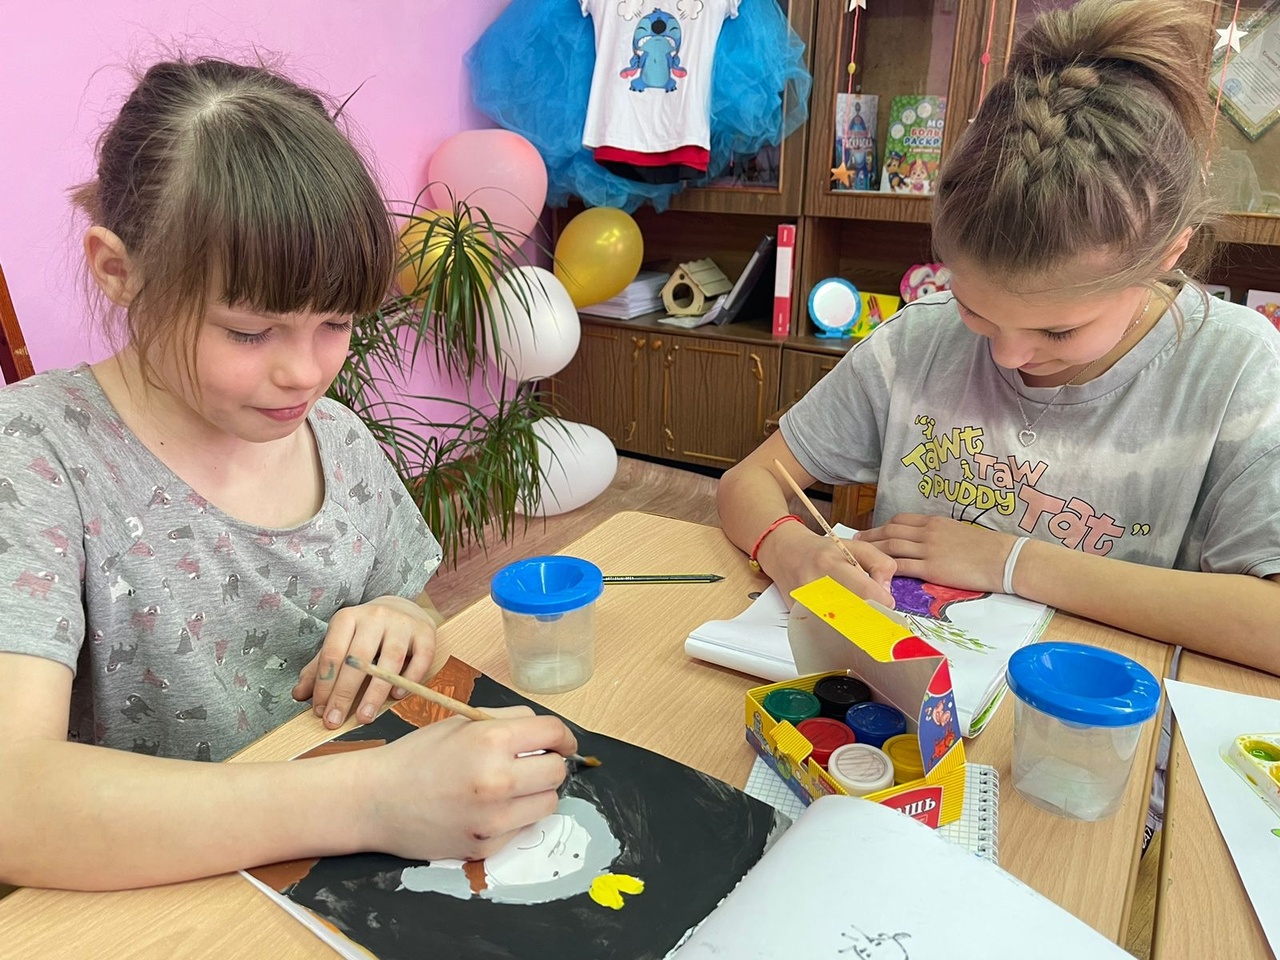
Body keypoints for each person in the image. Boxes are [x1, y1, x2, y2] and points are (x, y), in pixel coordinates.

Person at [0, 57, 576, 892]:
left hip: (328, 880)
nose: (305, 374)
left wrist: (398, 617)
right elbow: (15, 801)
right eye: (248, 331)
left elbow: (409, 600)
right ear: (119, 271)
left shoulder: (335, 439)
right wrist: (369, 801)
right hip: (160, 900)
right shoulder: (37, 453)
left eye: (336, 322)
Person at [719, 0, 1280, 677]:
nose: (1007, 357)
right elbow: (749, 481)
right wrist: (793, 552)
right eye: (975, 310)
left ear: (1168, 255)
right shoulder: (919, 342)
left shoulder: (1236, 367)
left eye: (1058, 329)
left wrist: (1012, 561)